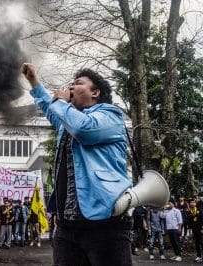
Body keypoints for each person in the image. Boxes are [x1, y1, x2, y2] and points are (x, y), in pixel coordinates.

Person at [22, 63, 133, 266]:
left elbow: (85, 130)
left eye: (78, 83)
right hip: (67, 227)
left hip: (105, 226)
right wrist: (34, 80)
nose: (71, 87)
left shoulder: (110, 115)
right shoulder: (68, 122)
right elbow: (50, 108)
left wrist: (62, 103)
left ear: (95, 93)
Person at [187, 198, 203, 263]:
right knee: (196, 243)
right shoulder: (189, 211)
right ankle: (199, 256)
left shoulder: (199, 210)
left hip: (200, 229)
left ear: (195, 203)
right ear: (189, 204)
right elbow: (189, 222)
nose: (192, 203)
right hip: (194, 230)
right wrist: (190, 231)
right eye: (191, 202)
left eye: (193, 202)